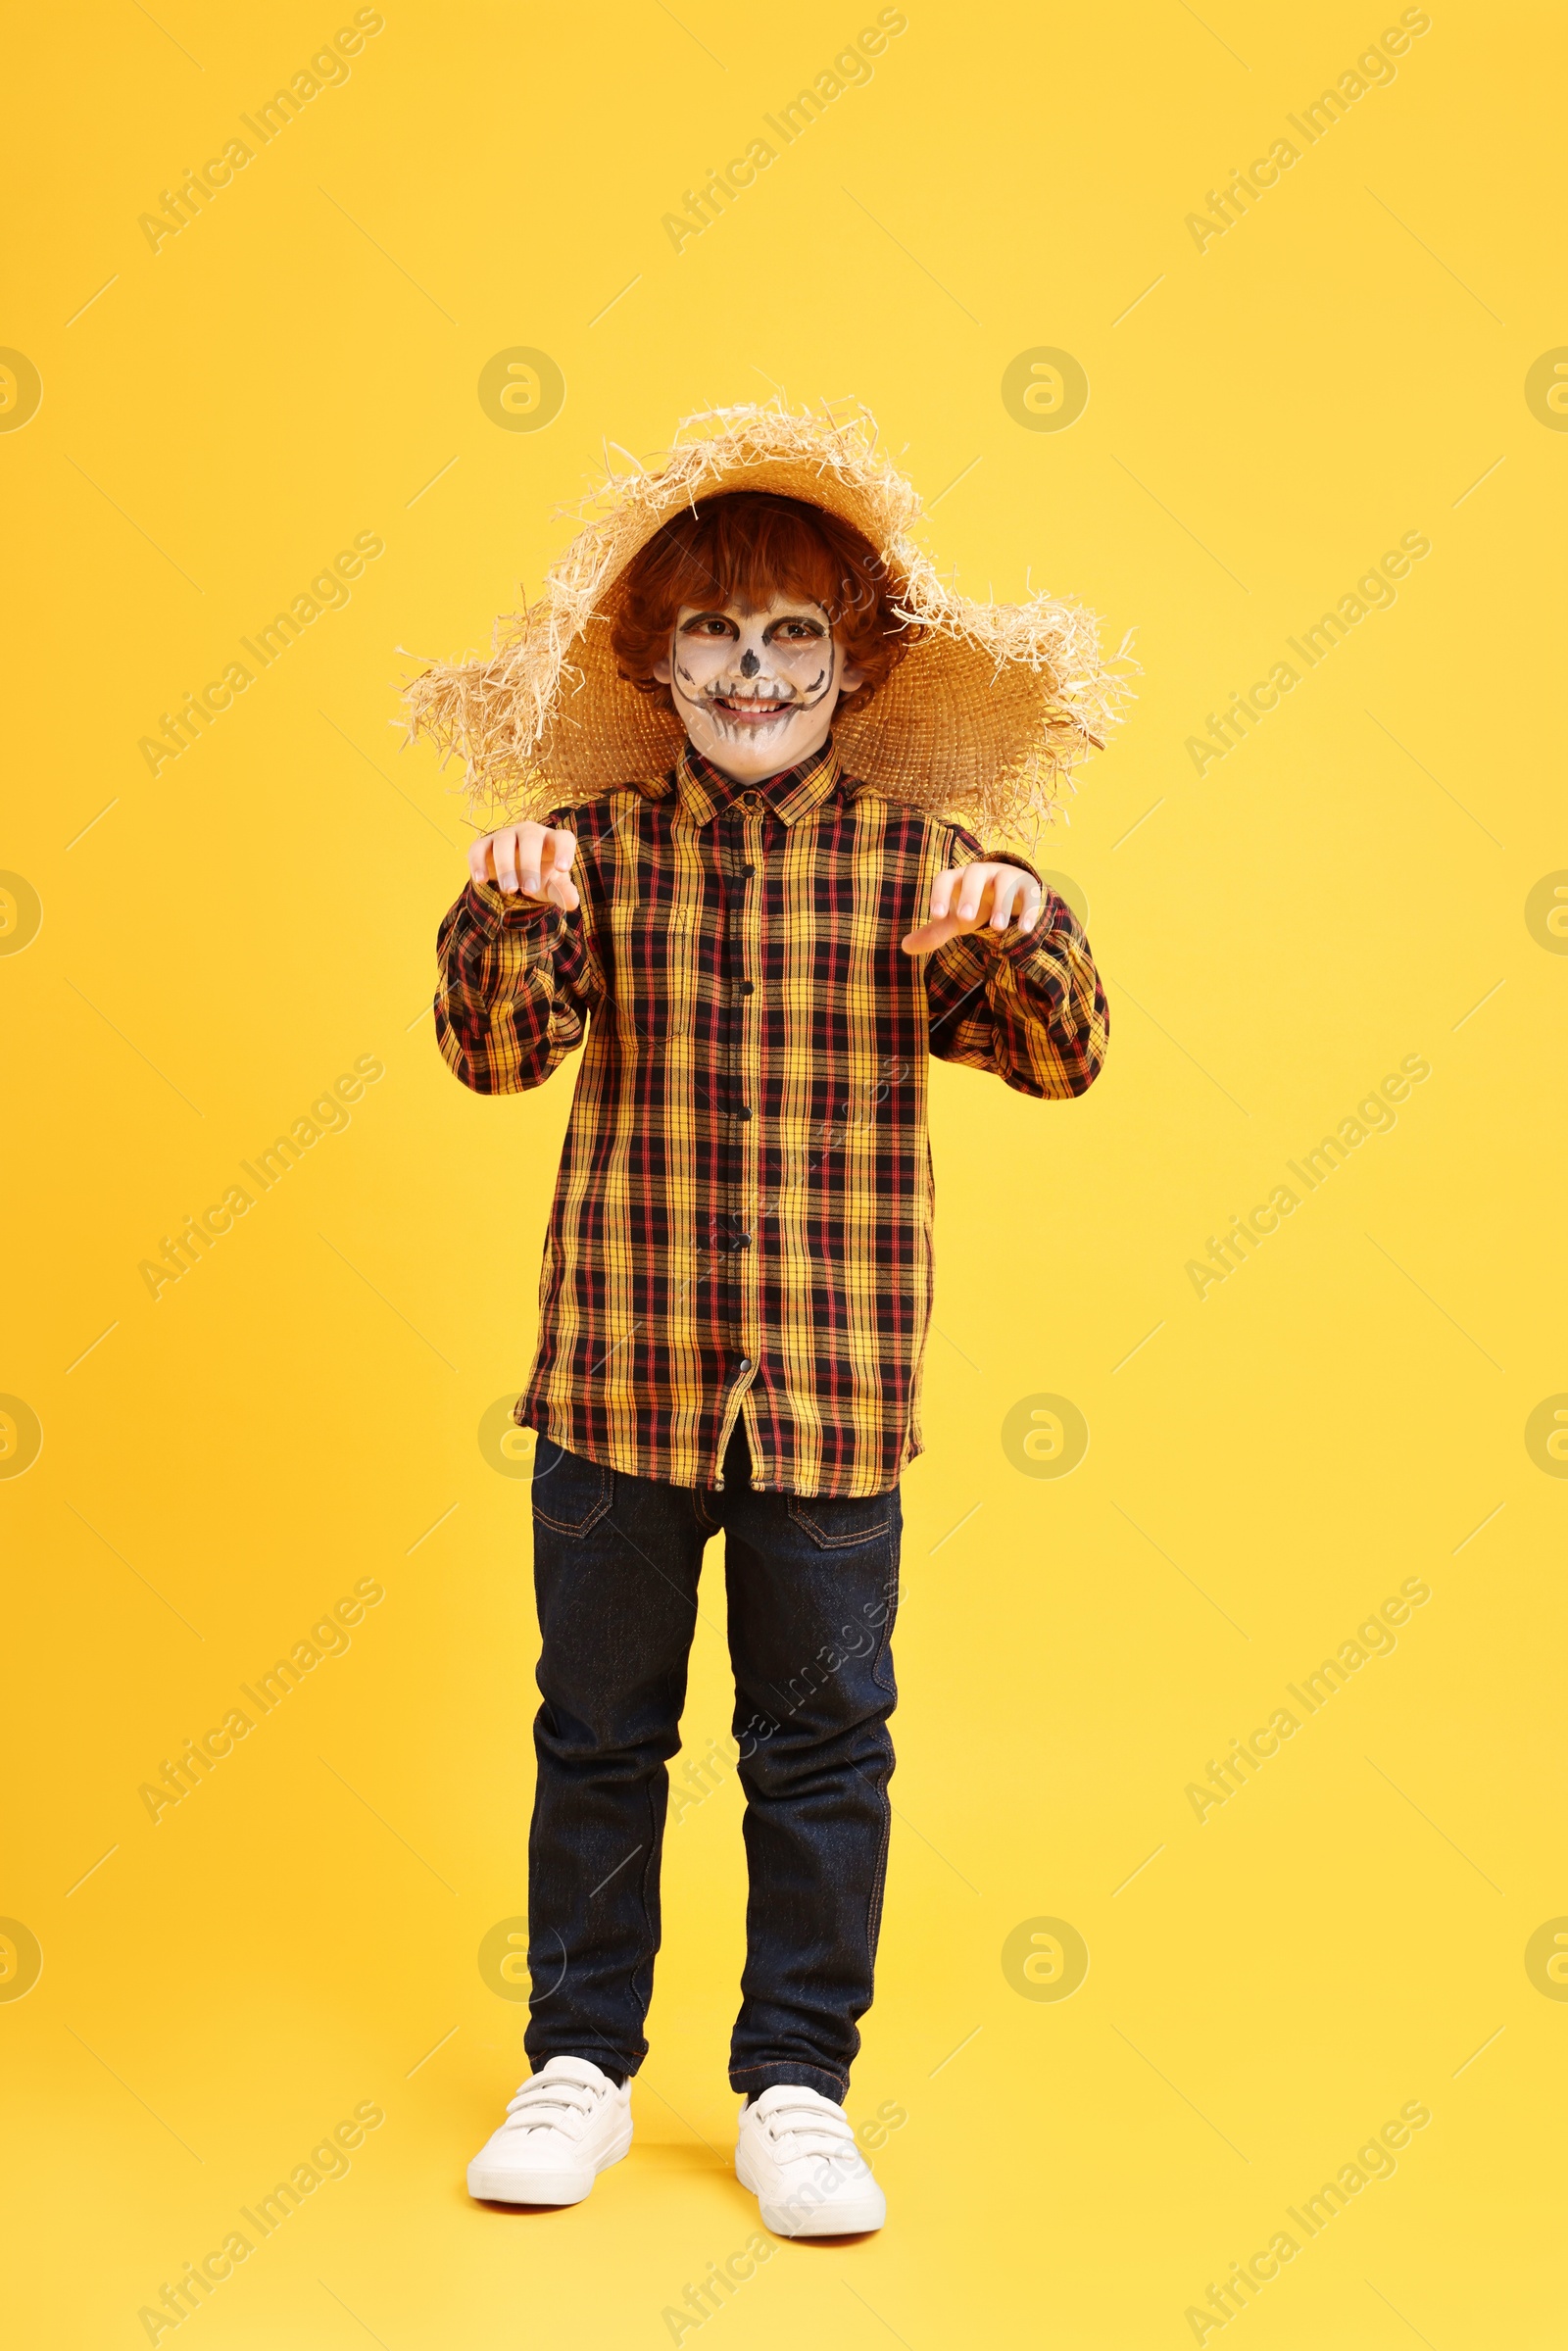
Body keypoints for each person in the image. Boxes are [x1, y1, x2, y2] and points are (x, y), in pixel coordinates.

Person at [412, 402, 1123, 2234]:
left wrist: (1021, 926)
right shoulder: (585, 849)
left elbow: (1065, 1059)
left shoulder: (921, 863)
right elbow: (496, 1060)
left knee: (822, 1747)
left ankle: (799, 2084)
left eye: (793, 635)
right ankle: (578, 2056)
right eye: (715, 636)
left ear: (853, 662)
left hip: (831, 1397)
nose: (753, 671)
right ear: (656, 661)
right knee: (600, 1730)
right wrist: (501, 921)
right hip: (618, 1391)